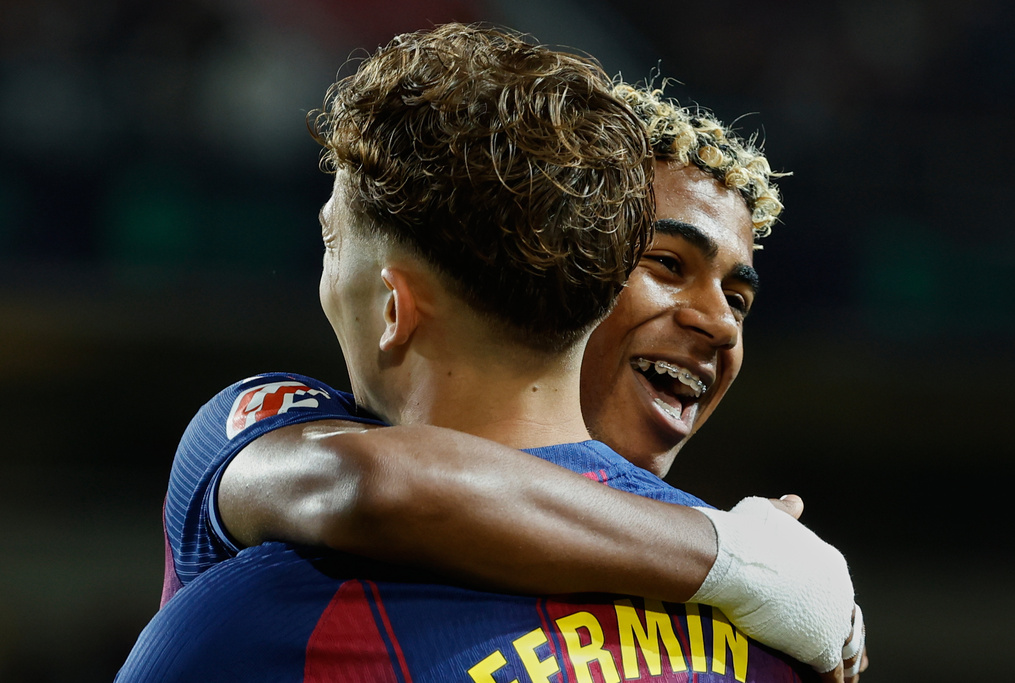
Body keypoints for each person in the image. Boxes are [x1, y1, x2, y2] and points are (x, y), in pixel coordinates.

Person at [125, 23, 861, 682]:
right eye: (666, 264)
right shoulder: (764, 605)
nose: (719, 324)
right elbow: (369, 482)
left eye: (739, 298)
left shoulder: (263, 612)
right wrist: (743, 562)